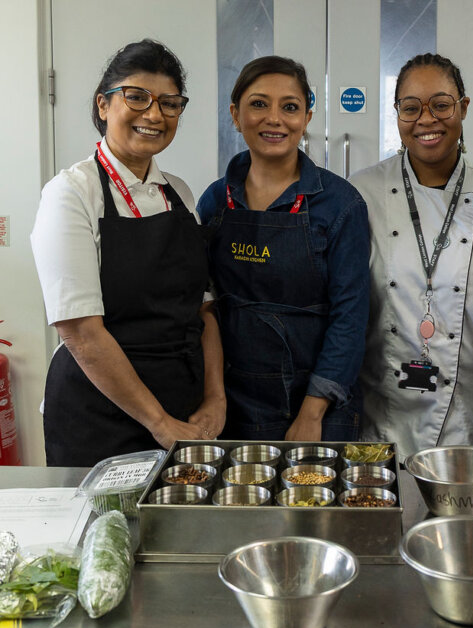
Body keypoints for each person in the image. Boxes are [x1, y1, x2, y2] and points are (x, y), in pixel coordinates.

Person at [32, 39, 225, 467]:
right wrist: (159, 423)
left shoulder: (179, 193)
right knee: (107, 534)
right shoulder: (71, 193)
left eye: (170, 103)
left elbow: (204, 309)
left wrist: (215, 398)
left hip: (184, 412)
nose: (154, 114)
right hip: (98, 417)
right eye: (136, 97)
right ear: (103, 105)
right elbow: (80, 331)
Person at [197, 56, 370, 441]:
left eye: (290, 107)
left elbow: (351, 318)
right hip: (229, 404)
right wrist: (214, 397)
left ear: (307, 117)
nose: (274, 119)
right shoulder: (214, 202)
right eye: (258, 104)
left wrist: (312, 412)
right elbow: (206, 308)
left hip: (316, 407)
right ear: (235, 114)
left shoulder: (340, 205)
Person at [350, 53, 473, 461]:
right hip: (383, 413)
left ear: (463, 108)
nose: (427, 119)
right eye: (410, 107)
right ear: (397, 113)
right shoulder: (360, 193)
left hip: (471, 414)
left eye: (441, 104)